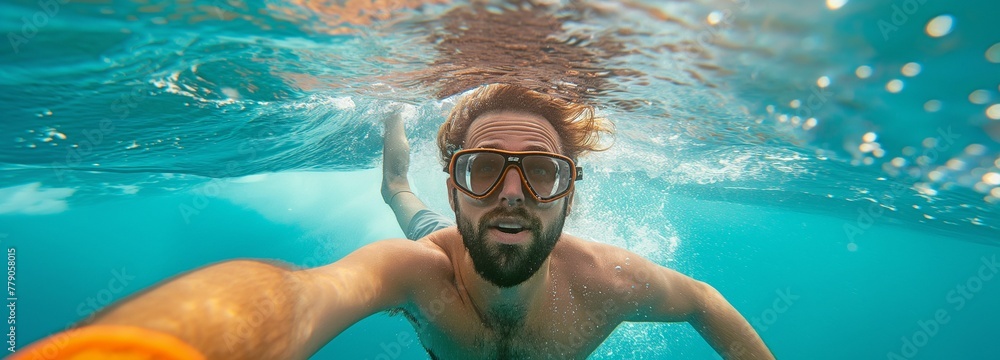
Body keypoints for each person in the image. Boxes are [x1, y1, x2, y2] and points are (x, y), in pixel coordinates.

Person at [16, 84, 774, 360]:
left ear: (569, 193)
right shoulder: (417, 271)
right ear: (457, 187)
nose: (511, 193)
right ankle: (397, 160)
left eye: (539, 172)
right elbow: (306, 293)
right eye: (482, 170)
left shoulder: (610, 282)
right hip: (435, 247)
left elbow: (705, 303)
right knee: (397, 204)